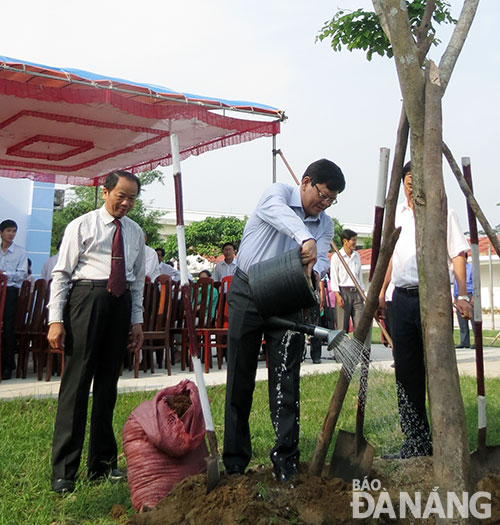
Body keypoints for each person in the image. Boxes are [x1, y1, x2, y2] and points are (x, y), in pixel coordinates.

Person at [223, 158, 346, 482]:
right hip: (247, 291)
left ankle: (286, 460)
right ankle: (235, 461)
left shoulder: (326, 224)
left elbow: (318, 259)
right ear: (305, 182)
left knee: (286, 379)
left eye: (331, 200)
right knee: (240, 376)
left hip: (288, 299)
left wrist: (314, 268)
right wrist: (303, 238)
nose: (324, 204)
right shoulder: (276, 194)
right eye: (322, 195)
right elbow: (284, 221)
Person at [47, 170, 145, 494]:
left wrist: (136, 321)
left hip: (120, 304)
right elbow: (61, 275)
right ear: (105, 192)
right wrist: (55, 320)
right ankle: (64, 471)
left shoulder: (135, 233)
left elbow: (137, 281)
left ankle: (102, 463)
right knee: (76, 386)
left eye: (132, 198)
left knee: (107, 386)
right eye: (121, 196)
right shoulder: (82, 226)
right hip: (87, 301)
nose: (127, 203)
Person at [379, 162, 472, 458]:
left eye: (417, 178)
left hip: (433, 299)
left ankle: (447, 441)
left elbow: (458, 253)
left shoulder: (442, 212)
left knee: (438, 369)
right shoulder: (397, 216)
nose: (411, 184)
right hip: (401, 300)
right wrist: (381, 292)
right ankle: (416, 441)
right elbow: (391, 257)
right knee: (406, 371)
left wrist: (462, 294)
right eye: (408, 179)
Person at [0, 219, 27, 380]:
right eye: (8, 231)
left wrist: (4, 275)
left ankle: (8, 365)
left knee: (8, 328)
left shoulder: (20, 252)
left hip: (10, 291)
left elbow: (22, 274)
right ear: (1, 233)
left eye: (14, 231)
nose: (11, 234)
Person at [330, 229, 364, 335]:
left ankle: (358, 351)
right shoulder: (336, 257)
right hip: (343, 293)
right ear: (345, 241)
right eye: (353, 240)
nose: (355, 243)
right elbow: (334, 277)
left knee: (360, 326)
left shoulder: (357, 256)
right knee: (342, 327)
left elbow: (360, 276)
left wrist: (362, 293)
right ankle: (342, 351)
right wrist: (337, 294)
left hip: (357, 293)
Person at [454, 253, 474, 349]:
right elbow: (455, 285)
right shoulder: (455, 270)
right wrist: (455, 297)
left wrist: (474, 297)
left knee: (474, 320)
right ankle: (464, 341)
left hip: (469, 294)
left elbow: (475, 282)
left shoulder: (471, 268)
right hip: (459, 296)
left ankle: (477, 341)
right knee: (461, 320)